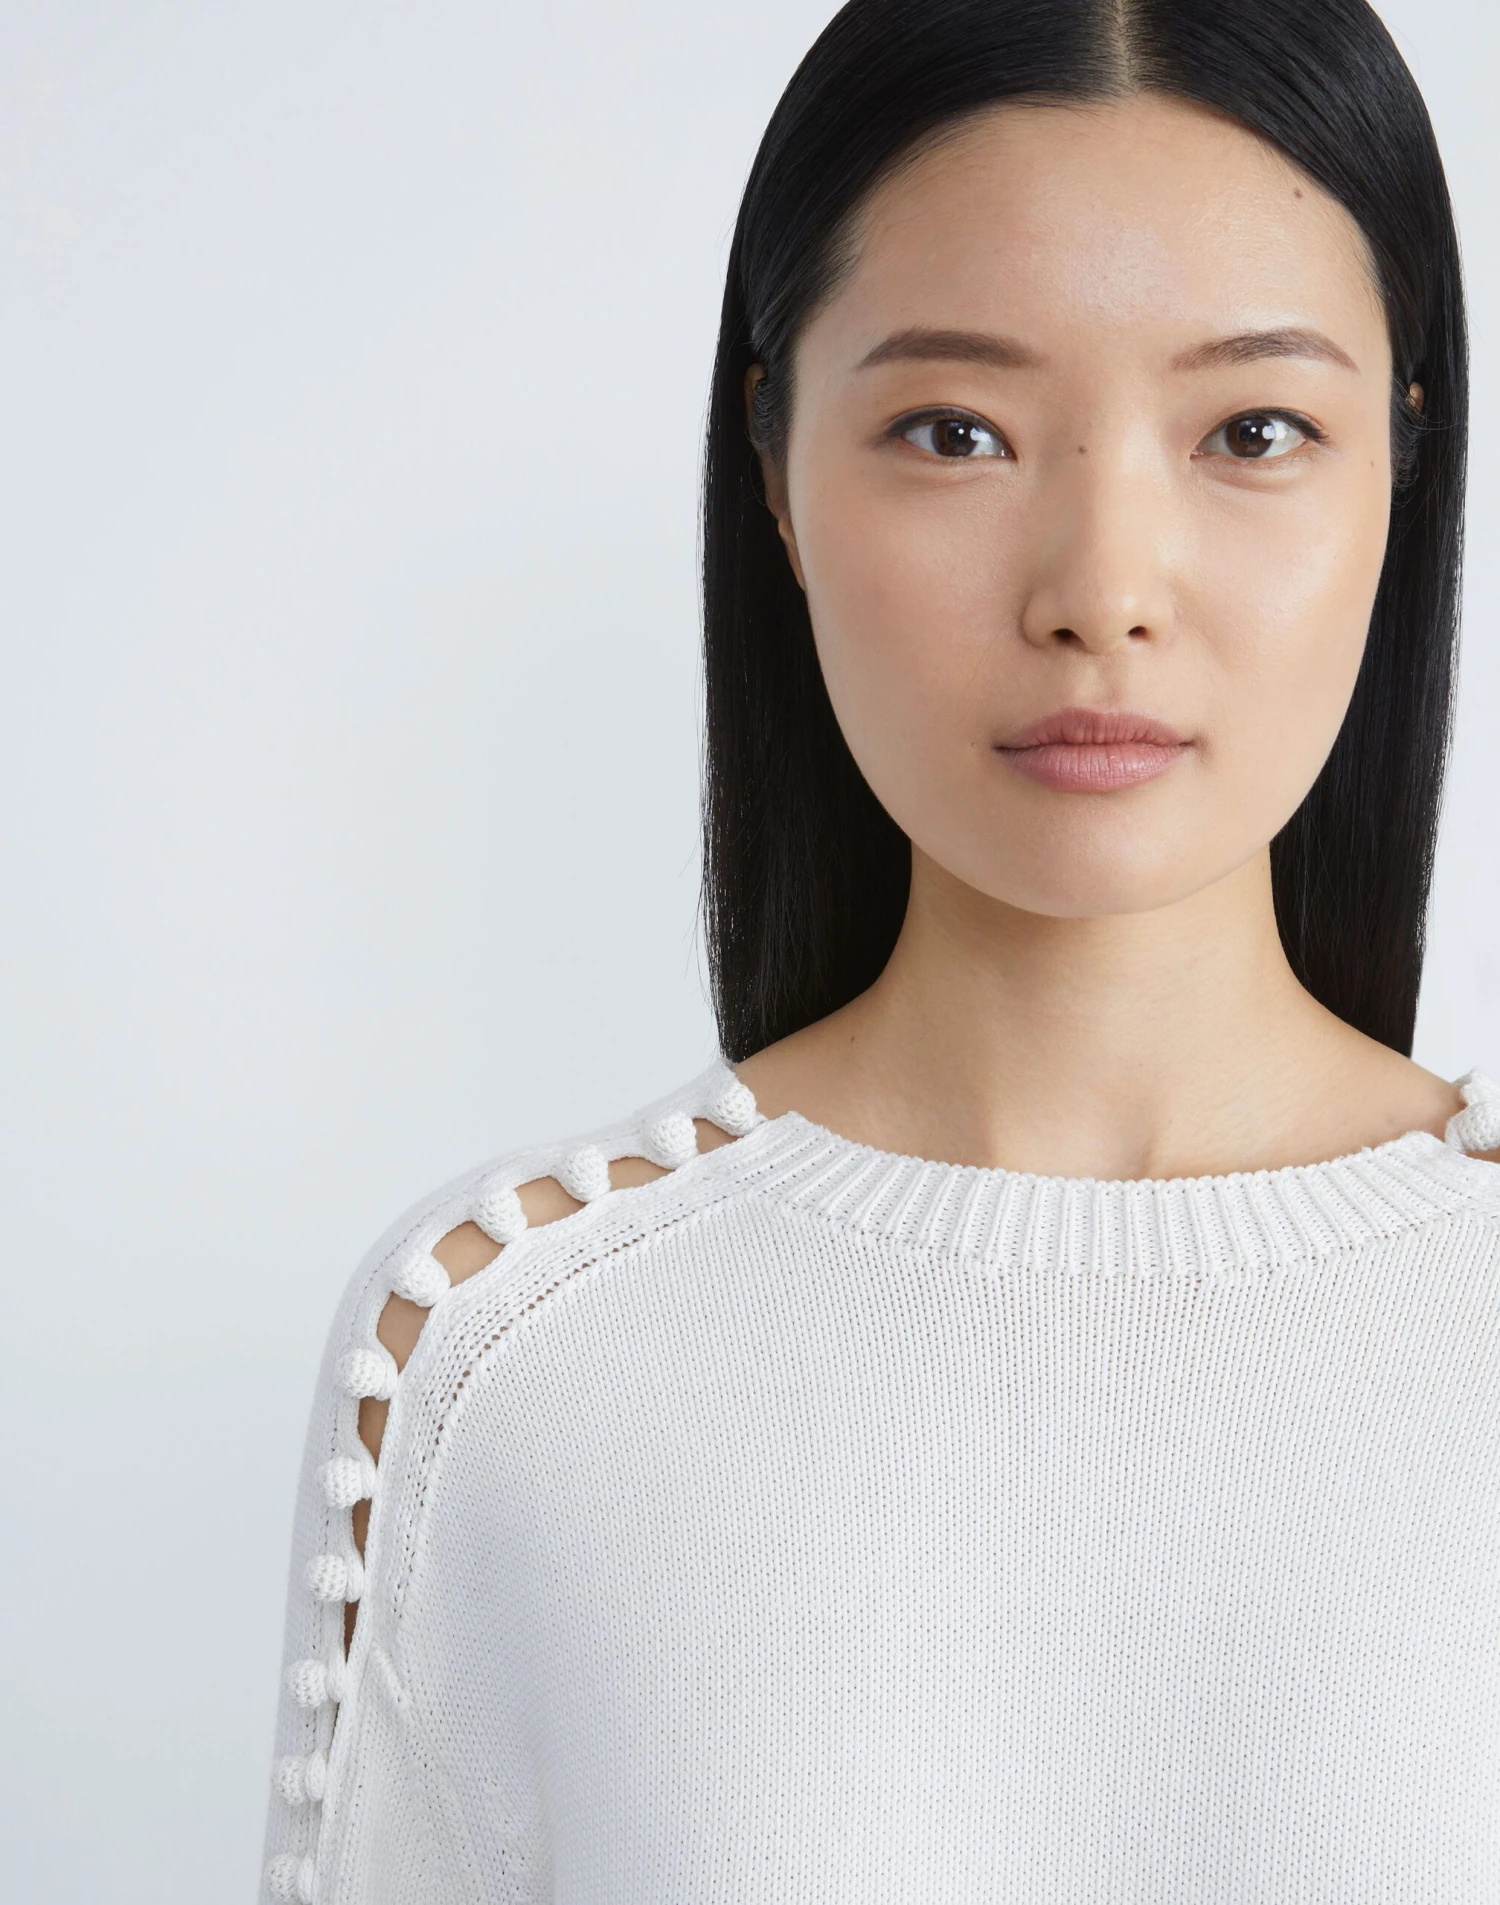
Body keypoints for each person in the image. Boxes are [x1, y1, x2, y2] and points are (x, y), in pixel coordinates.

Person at [262, 2, 1500, 1897]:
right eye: (954, 431)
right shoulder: (511, 1353)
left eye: (1255, 430)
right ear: (775, 470)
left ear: (1403, 464)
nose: (1102, 588)